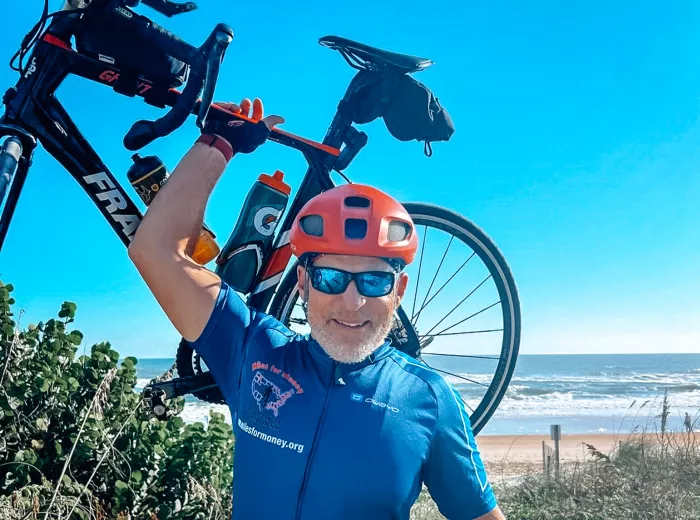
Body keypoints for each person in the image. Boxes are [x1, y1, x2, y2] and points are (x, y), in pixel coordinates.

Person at [128, 98, 505, 520]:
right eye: (330, 279)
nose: (352, 301)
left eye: (374, 280)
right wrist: (217, 144)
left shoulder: (431, 400)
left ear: (398, 290)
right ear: (303, 284)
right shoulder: (252, 349)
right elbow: (155, 251)